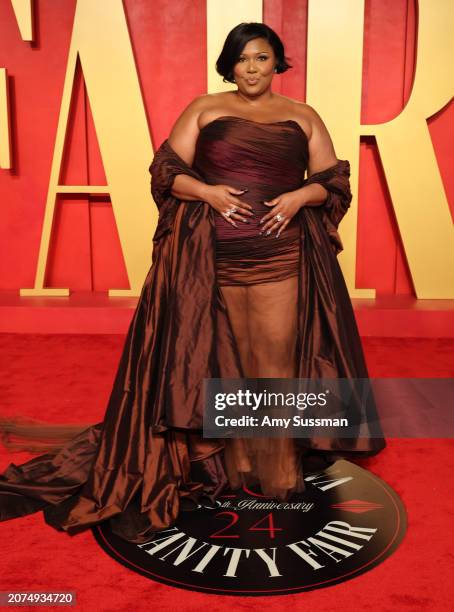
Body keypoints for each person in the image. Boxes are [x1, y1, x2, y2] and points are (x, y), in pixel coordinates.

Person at [0, 23, 385, 544]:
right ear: (230, 64)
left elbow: (333, 182)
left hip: (281, 256)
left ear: (278, 64)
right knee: (225, 356)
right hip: (212, 257)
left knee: (273, 356)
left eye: (262, 58)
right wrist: (205, 190)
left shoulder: (303, 116)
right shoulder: (203, 108)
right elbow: (164, 171)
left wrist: (299, 198)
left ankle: (276, 467)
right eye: (243, 59)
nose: (252, 68)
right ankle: (240, 455)